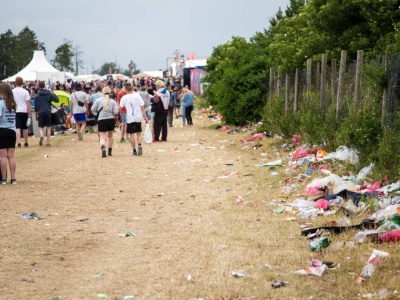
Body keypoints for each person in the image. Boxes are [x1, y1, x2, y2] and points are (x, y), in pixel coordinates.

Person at [120, 82, 148, 156]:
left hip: (129, 117)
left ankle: (134, 151)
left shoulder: (124, 97)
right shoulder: (138, 96)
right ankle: (139, 145)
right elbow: (142, 108)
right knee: (139, 133)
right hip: (138, 116)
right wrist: (146, 118)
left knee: (131, 134)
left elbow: (120, 107)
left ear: (125, 89)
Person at [91, 86, 118, 157]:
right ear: (110, 92)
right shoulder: (112, 101)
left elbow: (92, 109)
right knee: (110, 136)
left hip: (101, 119)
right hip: (110, 120)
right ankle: (110, 151)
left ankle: (103, 148)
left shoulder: (98, 100)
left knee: (102, 137)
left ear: (102, 92)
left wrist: (97, 111)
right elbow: (116, 112)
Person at [0, 83, 17, 184]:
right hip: (12, 130)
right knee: (11, 156)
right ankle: (13, 178)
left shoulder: (1, 104)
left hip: (2, 130)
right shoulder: (13, 104)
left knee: (3, 156)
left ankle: (3, 178)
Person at [34, 81, 59, 146]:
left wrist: (37, 112)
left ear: (39, 86)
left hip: (41, 112)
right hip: (48, 112)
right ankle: (47, 142)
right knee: (48, 127)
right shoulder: (49, 94)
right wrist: (54, 94)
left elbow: (36, 107)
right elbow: (57, 100)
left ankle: (41, 135)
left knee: (40, 127)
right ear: (44, 85)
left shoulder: (37, 96)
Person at [12, 76, 31, 148]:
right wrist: (29, 112)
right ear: (22, 83)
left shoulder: (13, 91)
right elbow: (27, 103)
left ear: (15, 82)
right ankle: (26, 142)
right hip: (24, 110)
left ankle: (19, 142)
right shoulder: (25, 91)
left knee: (18, 127)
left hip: (17, 110)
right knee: (25, 127)